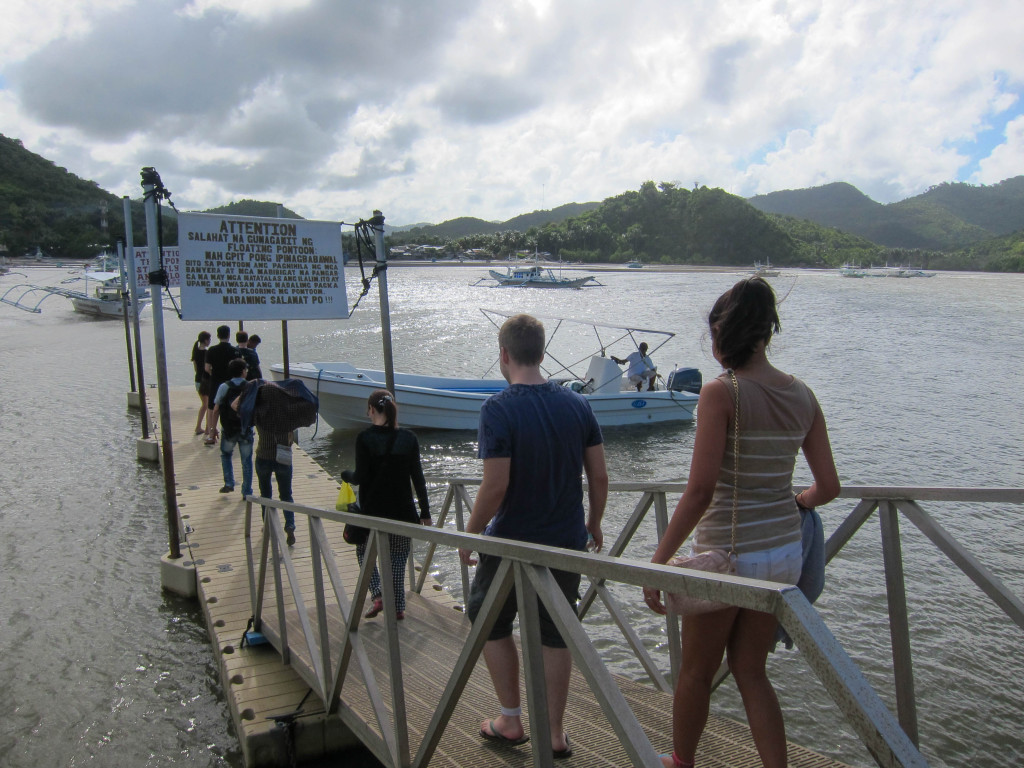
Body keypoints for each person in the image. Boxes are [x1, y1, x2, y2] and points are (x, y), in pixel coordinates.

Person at [642, 277, 840, 768]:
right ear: (765, 333)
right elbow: (828, 489)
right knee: (752, 671)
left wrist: (658, 562)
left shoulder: (721, 392)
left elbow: (700, 491)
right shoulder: (803, 395)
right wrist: (795, 499)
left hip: (729, 558)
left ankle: (681, 761)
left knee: (695, 673)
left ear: (724, 334)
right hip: (783, 555)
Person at [458, 313, 608, 758]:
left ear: (504, 355)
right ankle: (554, 732)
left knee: (486, 618)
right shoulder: (579, 405)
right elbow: (598, 476)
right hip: (565, 540)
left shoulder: (497, 409)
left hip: (510, 543)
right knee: (554, 633)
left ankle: (510, 718)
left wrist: (469, 535)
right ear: (541, 353)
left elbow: (496, 485)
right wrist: (594, 522)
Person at [340, 390, 431, 621]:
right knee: (399, 557)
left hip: (373, 511)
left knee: (363, 552)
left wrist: (345, 475)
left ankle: (379, 594)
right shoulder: (409, 438)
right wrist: (425, 512)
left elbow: (359, 476)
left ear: (371, 409)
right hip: (403, 511)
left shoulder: (365, 438)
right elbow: (418, 478)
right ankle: (398, 607)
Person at [211, 358, 253, 496]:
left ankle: (229, 482)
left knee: (226, 455)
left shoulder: (224, 386)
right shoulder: (250, 386)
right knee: (246, 461)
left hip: (228, 429)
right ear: (242, 372)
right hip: (245, 428)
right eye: (246, 370)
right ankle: (246, 491)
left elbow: (216, 409)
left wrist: (213, 429)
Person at [204, 325, 240, 444]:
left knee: (212, 408)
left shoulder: (212, 350)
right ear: (229, 335)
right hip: (231, 383)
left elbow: (207, 368)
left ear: (218, 335)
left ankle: (211, 434)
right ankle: (233, 432)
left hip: (215, 382)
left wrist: (213, 374)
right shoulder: (235, 351)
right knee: (232, 406)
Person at [191, 330, 212, 435]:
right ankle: (206, 428)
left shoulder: (195, 351)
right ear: (205, 340)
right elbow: (207, 368)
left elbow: (196, 368)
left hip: (198, 379)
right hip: (206, 380)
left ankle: (199, 427)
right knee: (207, 405)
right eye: (209, 339)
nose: (210, 341)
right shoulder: (206, 352)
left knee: (204, 404)